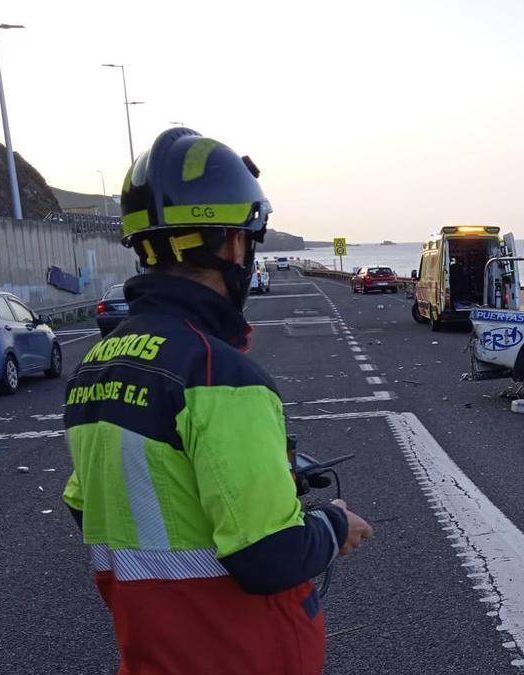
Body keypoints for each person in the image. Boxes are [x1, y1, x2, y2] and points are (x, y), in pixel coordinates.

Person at [61, 128, 373, 675]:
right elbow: (268, 556)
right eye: (249, 240)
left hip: (153, 654)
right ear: (233, 244)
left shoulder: (95, 365)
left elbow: (87, 504)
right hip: (244, 655)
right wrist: (334, 525)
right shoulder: (216, 372)